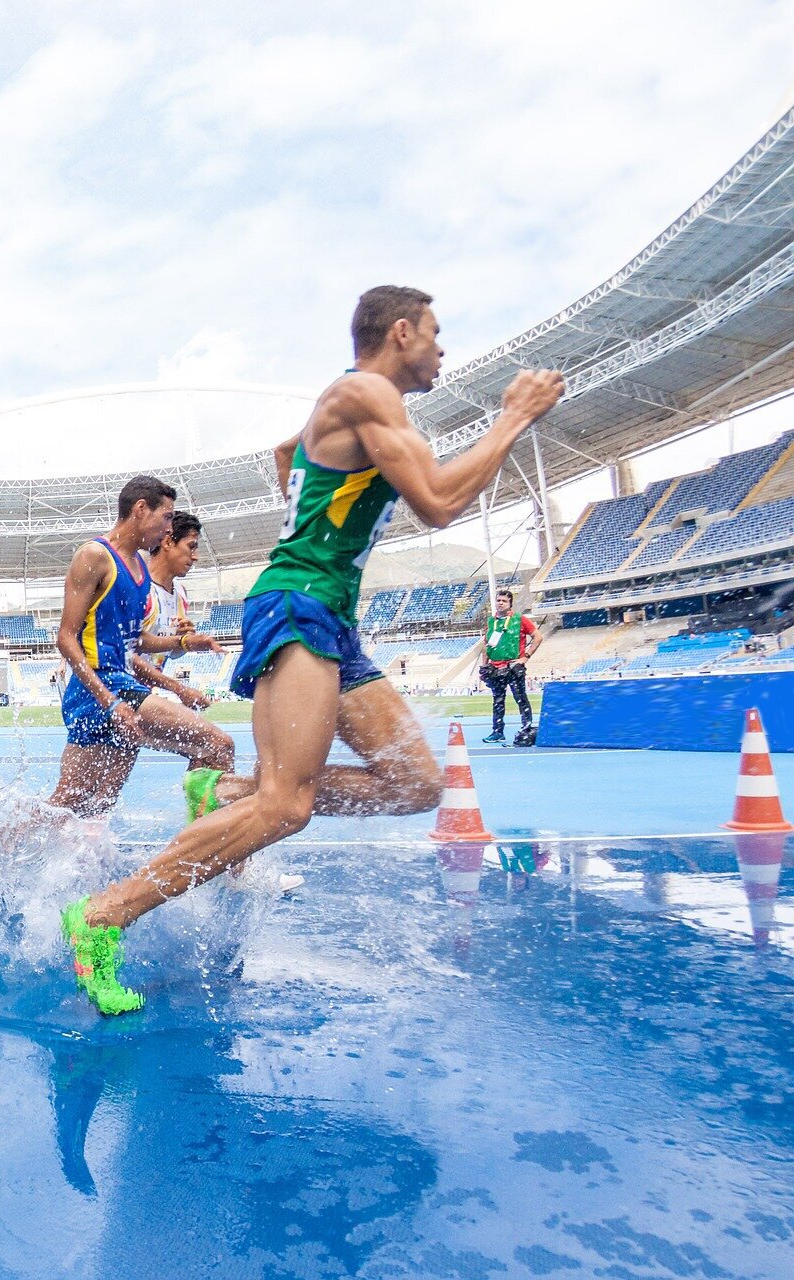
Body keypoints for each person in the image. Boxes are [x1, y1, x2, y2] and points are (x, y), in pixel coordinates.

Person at [62, 285, 566, 1015]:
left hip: (329, 615)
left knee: (415, 785)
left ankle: (225, 792)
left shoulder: (353, 408)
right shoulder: (365, 390)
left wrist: (320, 514)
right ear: (400, 333)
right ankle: (102, 917)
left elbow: (285, 452)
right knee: (288, 807)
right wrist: (513, 416)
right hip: (298, 606)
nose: (442, 349)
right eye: (434, 333)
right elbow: (438, 500)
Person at [46, 486, 235, 818]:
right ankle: (207, 852)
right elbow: (66, 638)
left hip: (119, 690)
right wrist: (111, 701)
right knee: (219, 745)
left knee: (82, 808)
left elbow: (137, 640)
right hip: (102, 688)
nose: (166, 530)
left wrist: (185, 643)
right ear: (141, 509)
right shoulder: (95, 555)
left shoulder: (139, 570)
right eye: (165, 518)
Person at [479, 587, 540, 745]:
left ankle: (527, 729)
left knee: (521, 699)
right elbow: (487, 645)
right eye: (498, 600)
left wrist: (525, 657)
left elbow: (538, 637)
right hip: (495, 668)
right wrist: (484, 666)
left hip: (513, 666)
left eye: (504, 601)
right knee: (498, 700)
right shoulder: (491, 621)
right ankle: (497, 732)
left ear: (510, 603)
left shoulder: (520, 619)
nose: (500, 603)